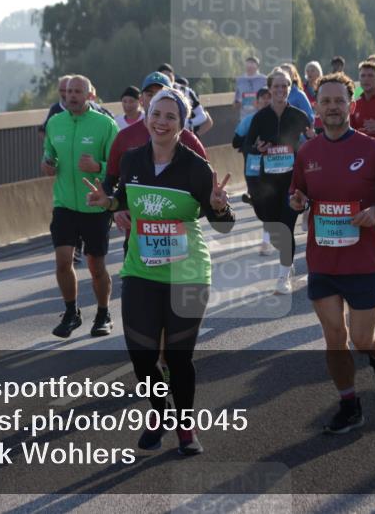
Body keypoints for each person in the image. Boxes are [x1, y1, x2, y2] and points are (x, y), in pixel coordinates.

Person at [85, 88, 234, 456]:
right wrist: (109, 203)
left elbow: (223, 224)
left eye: (170, 116)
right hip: (141, 270)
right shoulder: (133, 159)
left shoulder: (196, 168)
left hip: (188, 273)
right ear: (147, 116)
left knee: (179, 358)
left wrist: (219, 206)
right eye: (156, 113)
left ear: (183, 124)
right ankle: (161, 412)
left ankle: (185, 427)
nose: (161, 122)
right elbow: (125, 198)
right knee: (141, 355)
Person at [289, 72, 375, 433]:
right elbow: (297, 194)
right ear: (316, 107)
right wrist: (296, 201)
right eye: (325, 101)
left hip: (362, 260)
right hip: (323, 260)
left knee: (360, 338)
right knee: (334, 338)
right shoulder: (307, 152)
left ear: (351, 105)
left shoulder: (371, 149)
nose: (332, 107)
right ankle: (349, 404)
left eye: (339, 101)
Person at [42, 75, 120, 338]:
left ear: (89, 96)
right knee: (63, 262)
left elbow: (119, 167)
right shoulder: (55, 122)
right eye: (68, 91)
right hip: (64, 204)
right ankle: (71, 313)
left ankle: (103, 313)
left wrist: (98, 166)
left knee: (95, 266)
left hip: (95, 205)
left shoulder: (105, 124)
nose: (71, 96)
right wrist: (47, 165)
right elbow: (48, 156)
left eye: (77, 92)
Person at [104, 72, 207, 248]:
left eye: (161, 94)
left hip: (179, 242)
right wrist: (116, 209)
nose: (154, 99)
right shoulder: (125, 137)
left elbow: (207, 194)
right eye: (149, 94)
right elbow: (110, 182)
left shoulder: (189, 140)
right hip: (137, 240)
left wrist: (178, 214)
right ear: (141, 99)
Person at [244, 68, 313, 293]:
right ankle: (287, 260)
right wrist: (257, 147)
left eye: (285, 86)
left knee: (286, 228)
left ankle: (283, 277)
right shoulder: (260, 117)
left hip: (292, 181)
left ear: (290, 88)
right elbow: (247, 145)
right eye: (277, 86)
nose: (281, 90)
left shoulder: (298, 116)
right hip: (268, 184)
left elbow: (313, 142)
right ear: (270, 89)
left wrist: (310, 141)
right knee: (274, 231)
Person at [232, 88, 272, 254]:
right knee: (261, 208)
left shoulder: (279, 120)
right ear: (256, 102)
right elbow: (235, 143)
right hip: (252, 170)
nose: (266, 101)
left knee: (269, 205)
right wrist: (253, 146)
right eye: (263, 98)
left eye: (269, 98)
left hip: (273, 169)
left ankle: (266, 241)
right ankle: (254, 201)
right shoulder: (249, 120)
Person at [157, 64, 213, 137]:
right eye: (164, 76)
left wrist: (188, 123)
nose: (167, 79)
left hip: (184, 135)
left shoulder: (186, 92)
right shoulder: (154, 91)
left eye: (169, 76)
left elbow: (203, 116)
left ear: (173, 76)